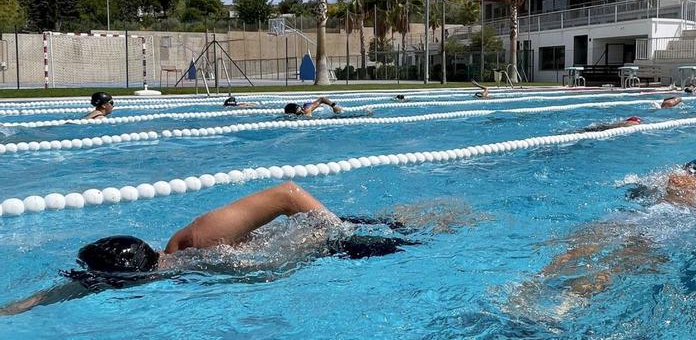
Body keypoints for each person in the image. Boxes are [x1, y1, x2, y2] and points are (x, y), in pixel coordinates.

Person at [0, 182, 417, 315]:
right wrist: (20, 306)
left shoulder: (204, 239)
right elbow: (87, 284)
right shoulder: (168, 264)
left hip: (339, 242)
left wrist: (340, 233)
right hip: (325, 254)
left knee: (428, 232)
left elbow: (288, 193)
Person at [509, 158, 696, 317]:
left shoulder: (673, 178)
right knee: (618, 263)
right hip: (672, 220)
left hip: (632, 215)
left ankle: (525, 287)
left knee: (577, 250)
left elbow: (634, 190)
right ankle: (566, 305)